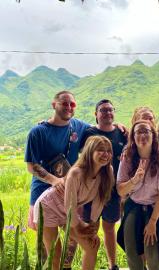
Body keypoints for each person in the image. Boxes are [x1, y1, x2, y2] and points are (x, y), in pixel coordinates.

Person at [25, 90, 90, 268]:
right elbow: (31, 166)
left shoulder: (79, 126)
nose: (69, 107)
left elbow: (103, 131)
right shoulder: (38, 132)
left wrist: (121, 127)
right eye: (64, 103)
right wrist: (55, 181)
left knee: (71, 243)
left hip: (69, 195)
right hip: (42, 194)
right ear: (54, 105)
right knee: (47, 249)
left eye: (72, 104)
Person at [33, 135, 114, 270]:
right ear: (89, 151)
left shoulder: (107, 172)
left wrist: (92, 227)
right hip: (47, 208)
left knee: (92, 244)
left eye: (108, 151)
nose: (105, 154)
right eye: (100, 150)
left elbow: (99, 201)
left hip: (67, 212)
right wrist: (79, 227)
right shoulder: (76, 173)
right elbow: (70, 206)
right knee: (56, 255)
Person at [116, 120, 159, 270]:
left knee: (153, 257)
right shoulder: (127, 158)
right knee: (132, 253)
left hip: (156, 208)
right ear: (133, 137)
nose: (142, 135)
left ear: (153, 136)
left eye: (146, 131)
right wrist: (134, 180)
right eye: (138, 132)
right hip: (134, 205)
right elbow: (121, 190)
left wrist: (153, 222)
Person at [80, 99, 127, 270]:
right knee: (90, 229)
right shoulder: (88, 133)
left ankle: (112, 264)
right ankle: (89, 265)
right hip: (90, 191)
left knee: (109, 227)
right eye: (103, 110)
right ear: (96, 114)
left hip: (113, 191)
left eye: (110, 110)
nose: (107, 113)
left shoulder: (122, 133)